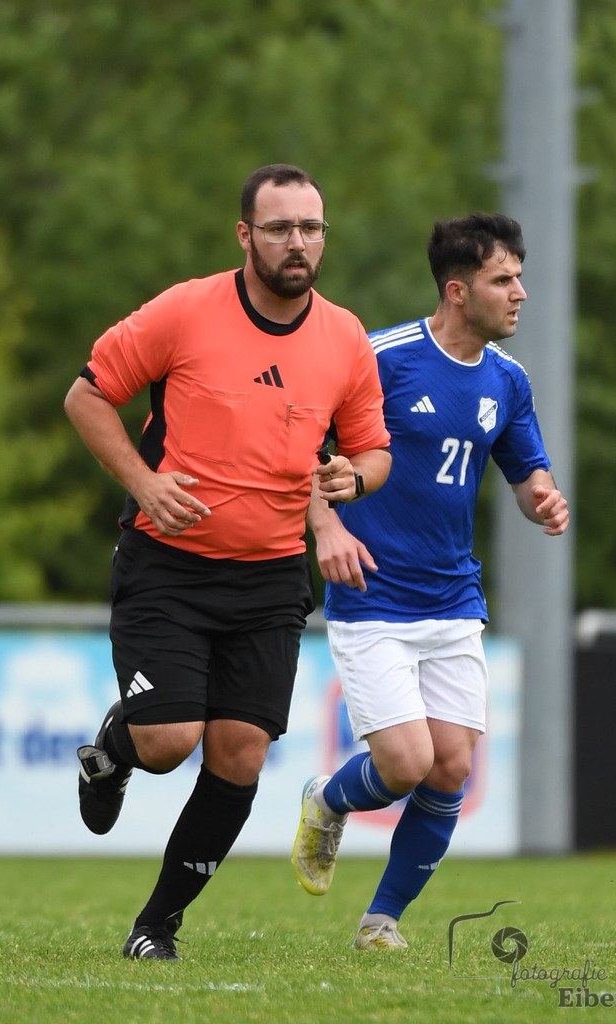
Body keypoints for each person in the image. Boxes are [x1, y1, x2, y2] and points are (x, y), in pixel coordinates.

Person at [64, 163, 392, 960]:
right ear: (244, 234)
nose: (297, 243)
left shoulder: (344, 335)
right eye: (279, 227)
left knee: (240, 753)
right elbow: (86, 395)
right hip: (168, 567)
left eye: (310, 228)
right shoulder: (186, 310)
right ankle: (115, 749)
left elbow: (372, 450)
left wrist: (353, 476)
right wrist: (143, 483)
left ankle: (156, 927)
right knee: (170, 740)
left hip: (272, 576)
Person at [292, 212, 569, 950]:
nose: (518, 293)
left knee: (448, 769)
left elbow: (523, 469)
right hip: (373, 592)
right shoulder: (380, 358)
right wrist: (327, 527)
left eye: (519, 277)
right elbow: (307, 448)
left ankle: (380, 922)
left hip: (453, 597)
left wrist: (541, 495)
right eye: (501, 280)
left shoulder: (508, 380)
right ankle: (327, 800)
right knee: (406, 762)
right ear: (456, 289)